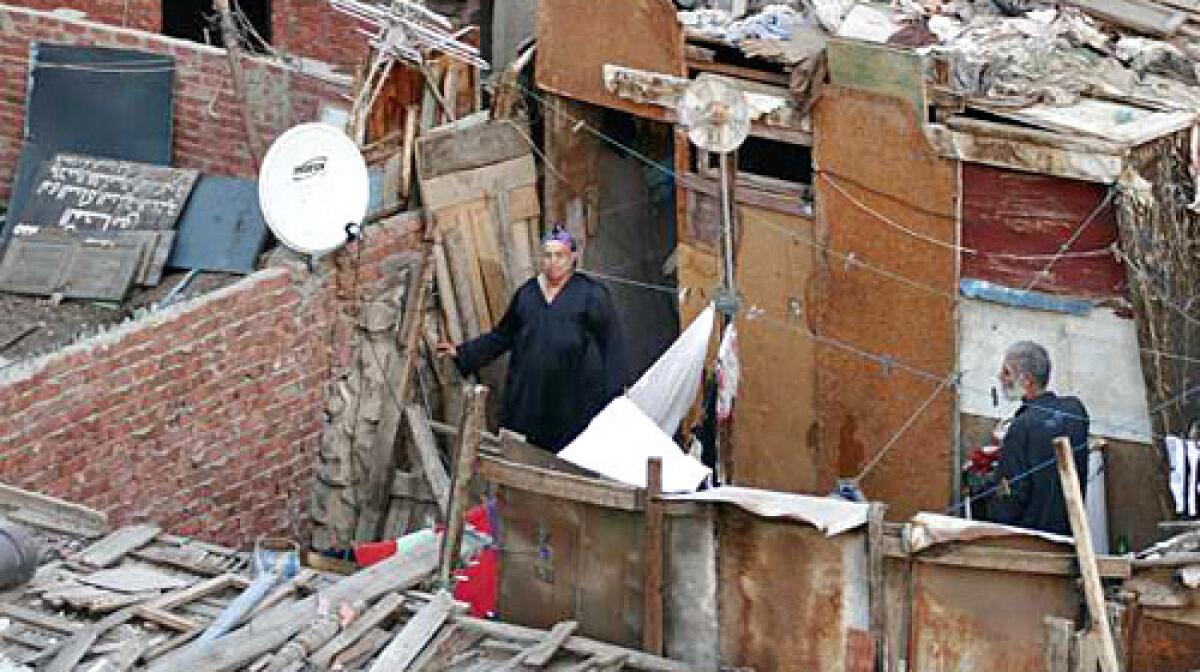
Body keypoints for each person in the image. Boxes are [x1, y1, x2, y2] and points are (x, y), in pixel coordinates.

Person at [437, 226, 627, 452]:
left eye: (560, 255)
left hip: (572, 396)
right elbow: (503, 335)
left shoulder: (591, 295)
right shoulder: (527, 294)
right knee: (527, 450)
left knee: (569, 454)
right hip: (530, 394)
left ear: (573, 257)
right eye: (548, 255)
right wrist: (463, 352)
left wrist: (615, 393)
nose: (553, 262)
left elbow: (612, 344)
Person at [989, 341, 1089, 535]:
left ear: (1026, 380)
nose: (1000, 377)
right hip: (1072, 531)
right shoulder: (1075, 410)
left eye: (1007, 372)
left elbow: (1012, 495)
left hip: (1034, 538)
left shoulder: (1022, 426)